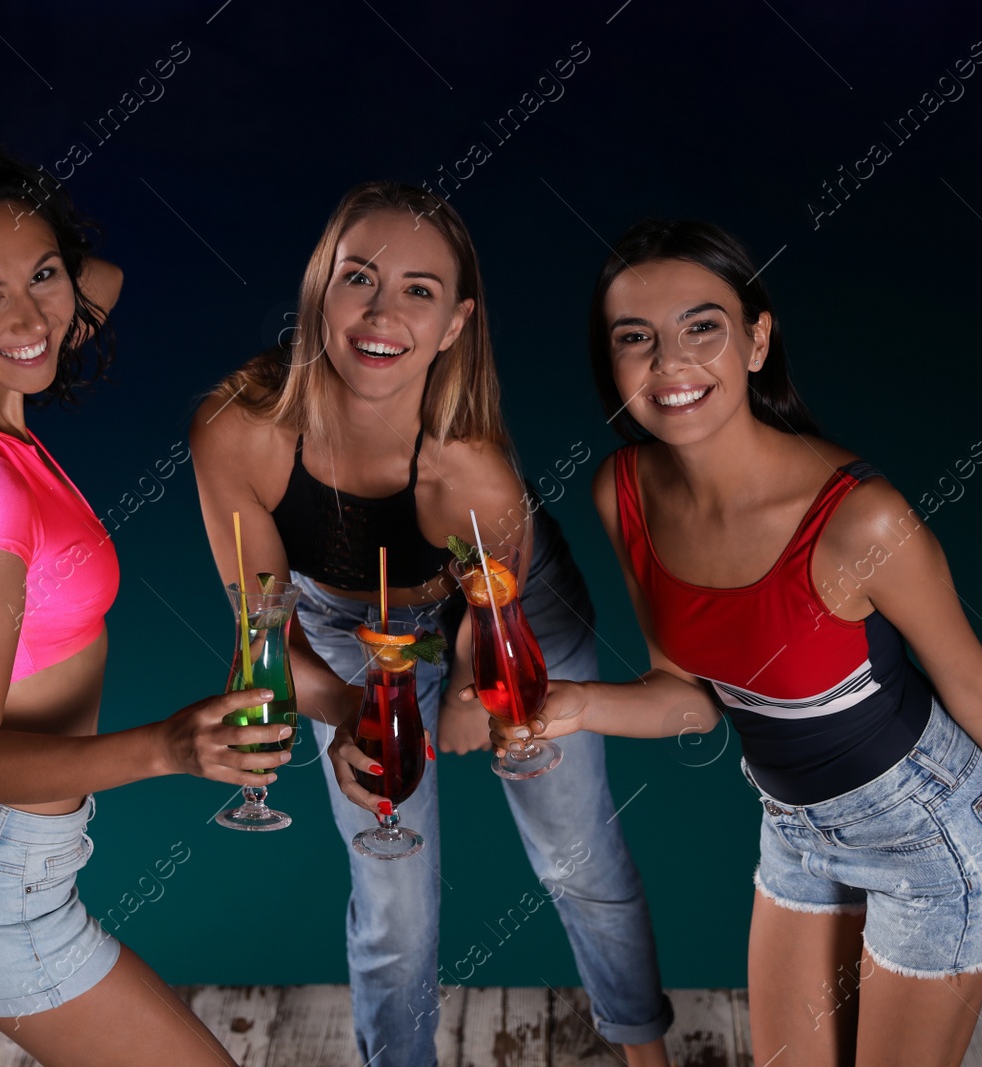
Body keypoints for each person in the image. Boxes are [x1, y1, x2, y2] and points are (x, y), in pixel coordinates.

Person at [485, 217, 982, 1067]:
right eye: (636, 339)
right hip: (797, 830)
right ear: (613, 365)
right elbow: (693, 699)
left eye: (700, 327)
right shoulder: (623, 490)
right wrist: (571, 707)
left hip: (937, 838)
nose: (669, 363)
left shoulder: (862, 519)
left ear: (756, 341)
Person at [190, 181, 674, 1067]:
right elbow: (266, 636)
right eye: (359, 279)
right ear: (318, 291)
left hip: (503, 614)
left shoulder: (470, 467)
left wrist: (460, 693)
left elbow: (491, 612)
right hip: (340, 626)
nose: (383, 312)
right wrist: (345, 717)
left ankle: (647, 1054)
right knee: (393, 896)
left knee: (578, 857)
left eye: (420, 289)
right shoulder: (239, 431)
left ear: (455, 322)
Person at [0, 132, 284, 1067]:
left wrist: (6, 252)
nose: (35, 316)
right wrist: (173, 746)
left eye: (43, 272)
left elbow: (90, 286)